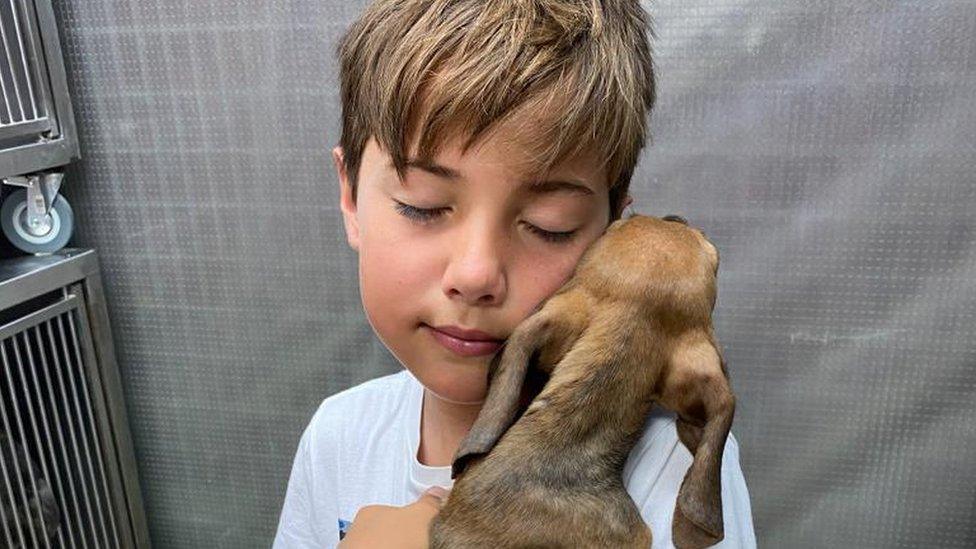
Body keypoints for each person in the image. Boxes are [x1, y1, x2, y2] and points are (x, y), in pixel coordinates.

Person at [273, 1, 756, 547]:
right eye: (423, 205)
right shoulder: (338, 435)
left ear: (611, 231)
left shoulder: (671, 469)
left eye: (550, 226)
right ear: (351, 197)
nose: (476, 274)